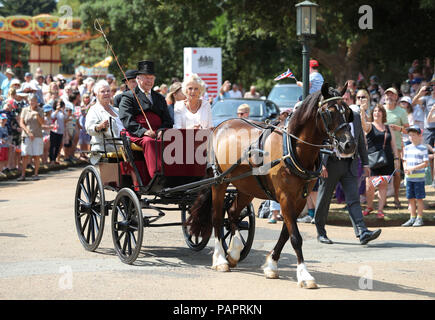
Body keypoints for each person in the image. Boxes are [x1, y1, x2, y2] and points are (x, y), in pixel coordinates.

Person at [314, 108, 382, 245]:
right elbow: (319, 139)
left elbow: (361, 141)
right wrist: (321, 164)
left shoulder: (356, 116)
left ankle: (362, 232)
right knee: (324, 200)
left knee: (353, 199)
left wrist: (366, 164)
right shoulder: (330, 115)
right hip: (331, 164)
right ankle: (320, 232)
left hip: (350, 164)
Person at [118, 60, 173, 185]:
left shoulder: (159, 98)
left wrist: (161, 130)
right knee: (149, 142)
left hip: (159, 133)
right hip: (137, 134)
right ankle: (157, 176)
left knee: (175, 139)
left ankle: (176, 175)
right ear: (138, 79)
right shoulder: (128, 97)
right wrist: (143, 132)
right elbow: (127, 120)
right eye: (146, 78)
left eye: (151, 78)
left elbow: (168, 120)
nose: (149, 81)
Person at [360, 104, 400, 219]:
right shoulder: (369, 126)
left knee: (383, 185)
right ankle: (369, 206)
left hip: (386, 159)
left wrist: (396, 158)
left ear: (383, 113)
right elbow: (363, 124)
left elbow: (393, 145)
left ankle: (380, 210)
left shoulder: (388, 128)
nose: (377, 113)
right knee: (370, 185)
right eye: (375, 111)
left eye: (379, 111)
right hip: (372, 160)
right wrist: (362, 111)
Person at [384, 87, 409, 208]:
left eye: (392, 95)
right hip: (382, 147)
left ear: (396, 97)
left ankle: (396, 198)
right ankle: (382, 200)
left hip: (396, 148)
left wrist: (398, 128)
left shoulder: (401, 111)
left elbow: (408, 130)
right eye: (387, 95)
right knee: (382, 174)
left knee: (397, 174)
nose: (389, 97)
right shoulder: (380, 110)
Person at [85, 80, 124, 152]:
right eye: (102, 91)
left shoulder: (117, 110)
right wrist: (99, 127)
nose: (106, 93)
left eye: (108, 91)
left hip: (124, 145)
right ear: (96, 94)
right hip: (106, 148)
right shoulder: (93, 110)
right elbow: (89, 129)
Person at [401, 126, 429, 227]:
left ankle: (419, 218)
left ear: (419, 135)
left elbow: (425, 163)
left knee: (419, 198)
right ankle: (412, 218)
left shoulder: (423, 148)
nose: (411, 137)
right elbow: (404, 161)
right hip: (409, 178)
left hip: (419, 178)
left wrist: (413, 168)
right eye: (410, 135)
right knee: (411, 198)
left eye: (413, 135)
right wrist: (405, 168)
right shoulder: (407, 148)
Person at [17, 94, 44, 181]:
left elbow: (42, 123)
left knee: (36, 155)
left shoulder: (40, 110)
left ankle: (36, 174)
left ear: (37, 102)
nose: (32, 102)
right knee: (25, 155)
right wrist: (28, 132)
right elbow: (21, 123)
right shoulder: (25, 110)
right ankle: (23, 175)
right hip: (26, 135)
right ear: (28, 101)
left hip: (37, 135)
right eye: (31, 100)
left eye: (34, 101)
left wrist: (37, 115)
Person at [49, 99, 66, 165]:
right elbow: (52, 116)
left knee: (58, 146)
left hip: (60, 131)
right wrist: (57, 110)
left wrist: (63, 111)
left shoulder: (62, 112)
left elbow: (66, 117)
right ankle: (51, 159)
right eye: (57, 104)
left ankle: (55, 158)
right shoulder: (53, 111)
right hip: (54, 131)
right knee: (52, 145)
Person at [0, 113, 9, 177]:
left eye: (5, 119)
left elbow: (6, 136)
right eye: (2, 119)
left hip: (5, 146)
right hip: (1, 146)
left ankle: (1, 170)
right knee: (1, 159)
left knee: (4, 159)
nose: (3, 121)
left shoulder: (5, 127)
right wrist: (2, 140)